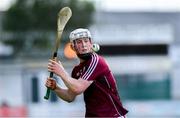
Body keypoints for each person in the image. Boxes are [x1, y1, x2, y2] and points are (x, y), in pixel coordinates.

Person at [45, 28, 128, 117]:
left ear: (91, 43)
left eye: (86, 41)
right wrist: (56, 87)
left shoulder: (96, 61)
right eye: (79, 42)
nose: (84, 45)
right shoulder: (77, 70)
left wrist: (61, 73)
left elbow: (78, 88)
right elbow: (70, 96)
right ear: (73, 47)